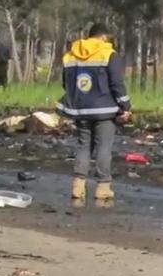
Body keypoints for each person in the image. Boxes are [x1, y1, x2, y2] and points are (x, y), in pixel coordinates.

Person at [57, 23, 132, 201]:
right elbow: (116, 84)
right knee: (103, 147)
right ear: (104, 37)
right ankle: (103, 187)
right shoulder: (108, 54)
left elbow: (65, 84)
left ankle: (78, 186)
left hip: (80, 109)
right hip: (105, 110)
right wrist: (126, 106)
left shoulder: (70, 55)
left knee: (84, 146)